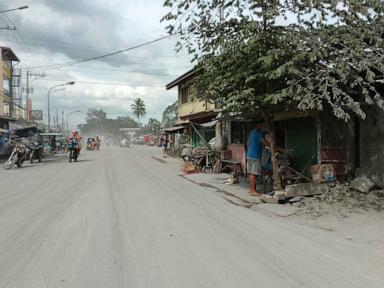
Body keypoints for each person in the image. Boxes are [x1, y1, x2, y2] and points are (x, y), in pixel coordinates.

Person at [246, 121, 284, 196]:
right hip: (255, 156)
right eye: (262, 125)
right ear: (258, 125)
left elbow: (248, 143)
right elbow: (266, 144)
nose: (263, 127)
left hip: (249, 155)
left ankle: (251, 189)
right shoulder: (259, 134)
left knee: (251, 173)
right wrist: (280, 149)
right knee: (254, 174)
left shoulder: (251, 132)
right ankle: (253, 191)